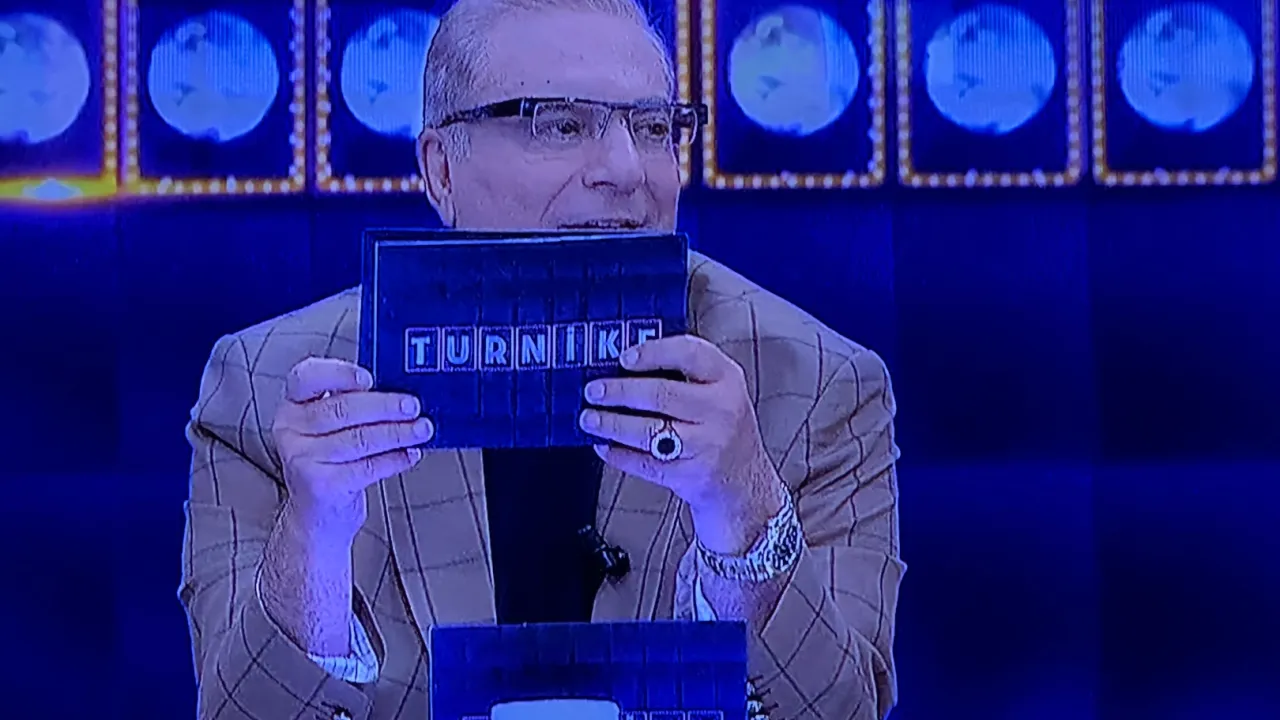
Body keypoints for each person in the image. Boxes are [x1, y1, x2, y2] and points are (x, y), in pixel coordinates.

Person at [177, 0, 904, 718]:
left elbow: (838, 711)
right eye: (560, 123)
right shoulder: (265, 390)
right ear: (441, 170)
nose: (627, 169)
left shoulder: (818, 386)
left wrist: (745, 510)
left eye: (653, 127)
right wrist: (316, 533)